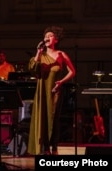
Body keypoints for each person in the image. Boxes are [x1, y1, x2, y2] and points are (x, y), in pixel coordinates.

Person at [27, 26, 76, 155]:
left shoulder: (61, 54)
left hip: (55, 92)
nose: (47, 37)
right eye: (46, 36)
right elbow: (32, 69)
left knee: (53, 119)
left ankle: (54, 148)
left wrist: (61, 81)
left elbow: (72, 71)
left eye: (50, 35)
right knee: (42, 119)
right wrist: (38, 52)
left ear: (56, 39)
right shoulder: (40, 55)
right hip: (42, 91)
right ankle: (45, 148)